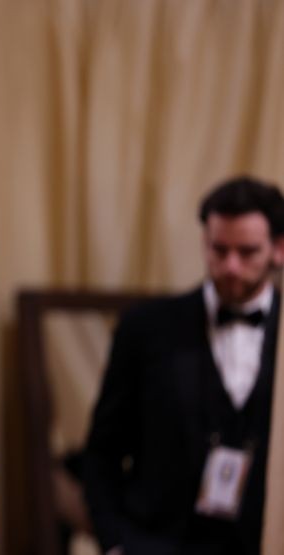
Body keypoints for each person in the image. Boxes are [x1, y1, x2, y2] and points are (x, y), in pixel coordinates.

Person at [84, 176, 284, 555]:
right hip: (159, 543)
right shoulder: (146, 327)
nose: (231, 266)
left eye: (247, 252)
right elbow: (101, 452)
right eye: (219, 250)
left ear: (279, 249)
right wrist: (114, 543)